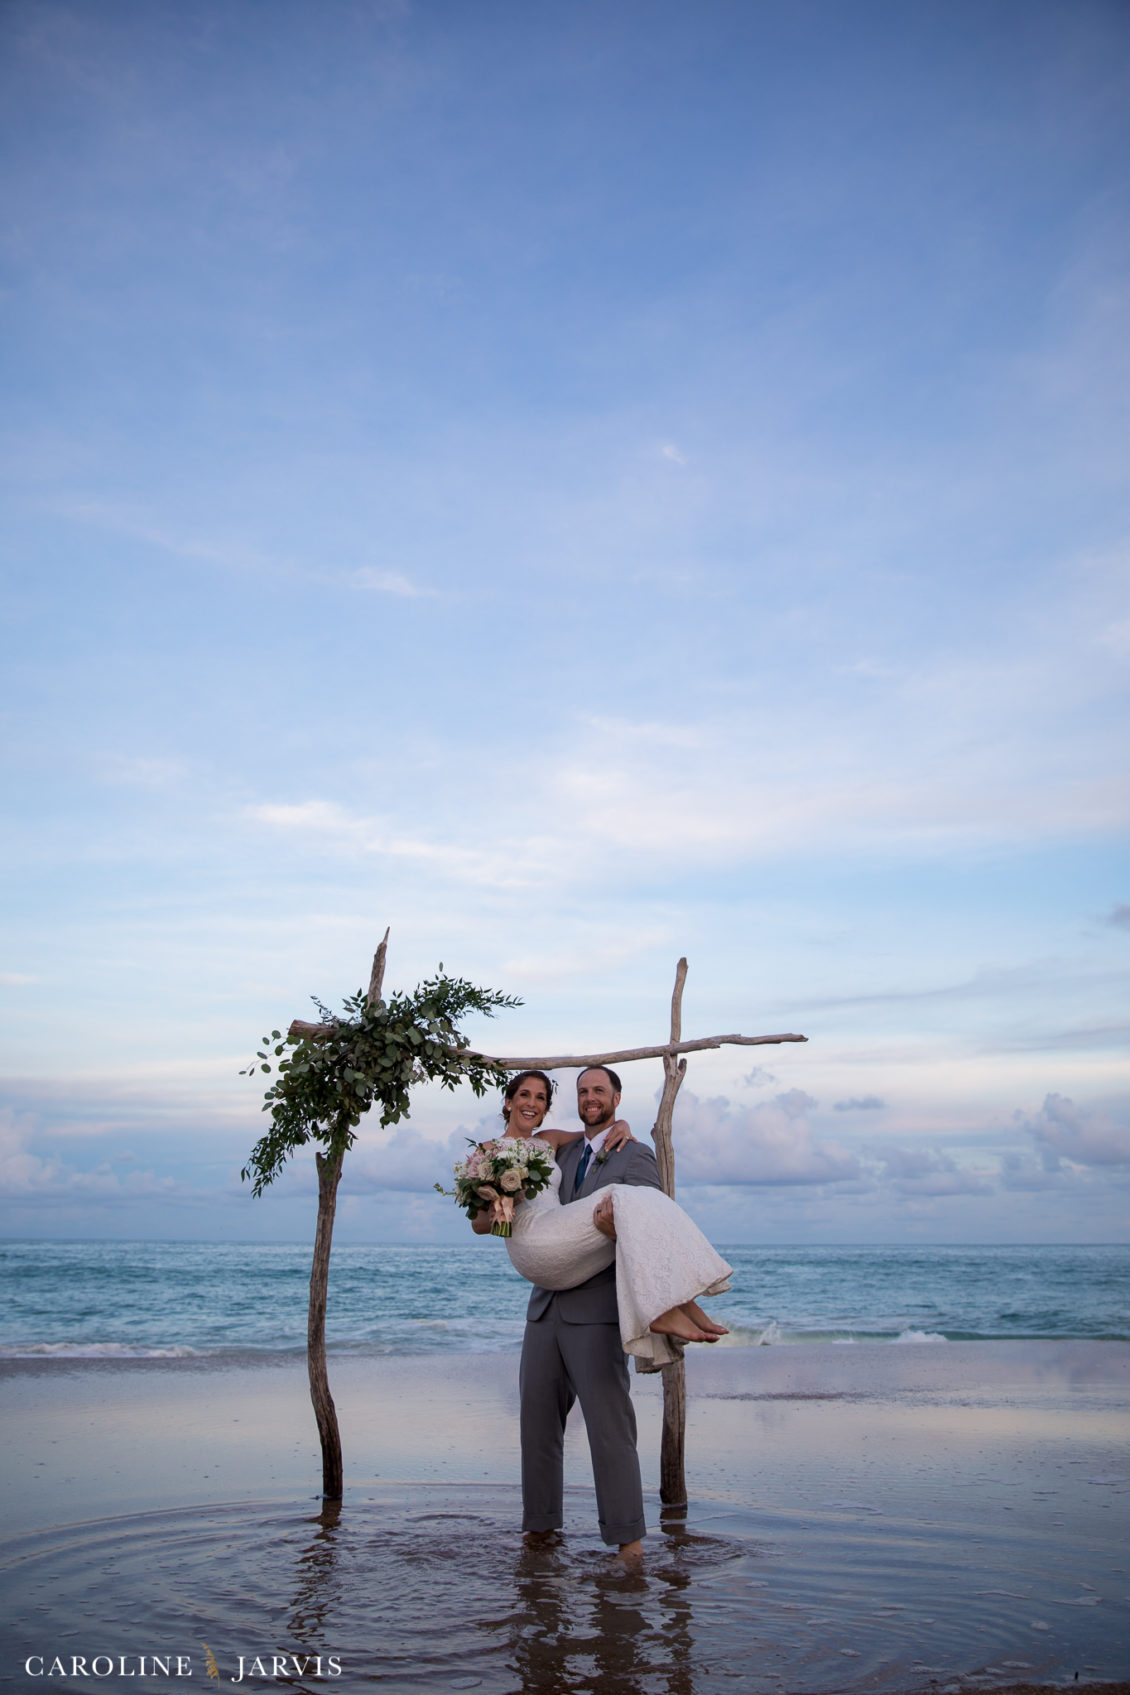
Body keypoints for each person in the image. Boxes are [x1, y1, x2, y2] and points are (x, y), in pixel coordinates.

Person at [471, 1066, 732, 1563]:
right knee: (537, 1429)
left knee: (610, 1432)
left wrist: (626, 1129)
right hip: (545, 1307)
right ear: (509, 1102)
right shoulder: (558, 1150)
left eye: (599, 1091)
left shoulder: (633, 1153)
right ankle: (540, 1532)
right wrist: (494, 1202)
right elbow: (492, 1227)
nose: (590, 1098)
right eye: (582, 1092)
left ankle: (628, 1542)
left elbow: (653, 1220)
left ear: (616, 1097)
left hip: (596, 1312)